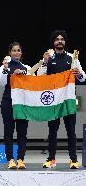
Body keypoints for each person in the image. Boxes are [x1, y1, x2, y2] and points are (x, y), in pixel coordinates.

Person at [38, 30, 85, 169]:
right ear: (53, 42)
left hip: (69, 100)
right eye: (57, 39)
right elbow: (40, 77)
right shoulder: (49, 59)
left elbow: (83, 78)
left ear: (65, 42)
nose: (60, 41)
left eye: (62, 39)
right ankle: (51, 159)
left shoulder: (72, 58)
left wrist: (79, 73)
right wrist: (45, 62)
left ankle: (74, 160)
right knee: (52, 131)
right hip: (53, 102)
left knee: (71, 130)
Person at [0, 42, 32, 169]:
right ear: (10, 53)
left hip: (23, 103)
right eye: (14, 50)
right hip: (8, 102)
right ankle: (10, 159)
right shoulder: (4, 67)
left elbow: (33, 84)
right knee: (8, 132)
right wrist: (7, 69)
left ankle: (21, 159)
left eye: (18, 50)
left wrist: (24, 75)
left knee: (22, 132)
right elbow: (1, 83)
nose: (16, 52)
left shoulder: (27, 68)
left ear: (21, 53)